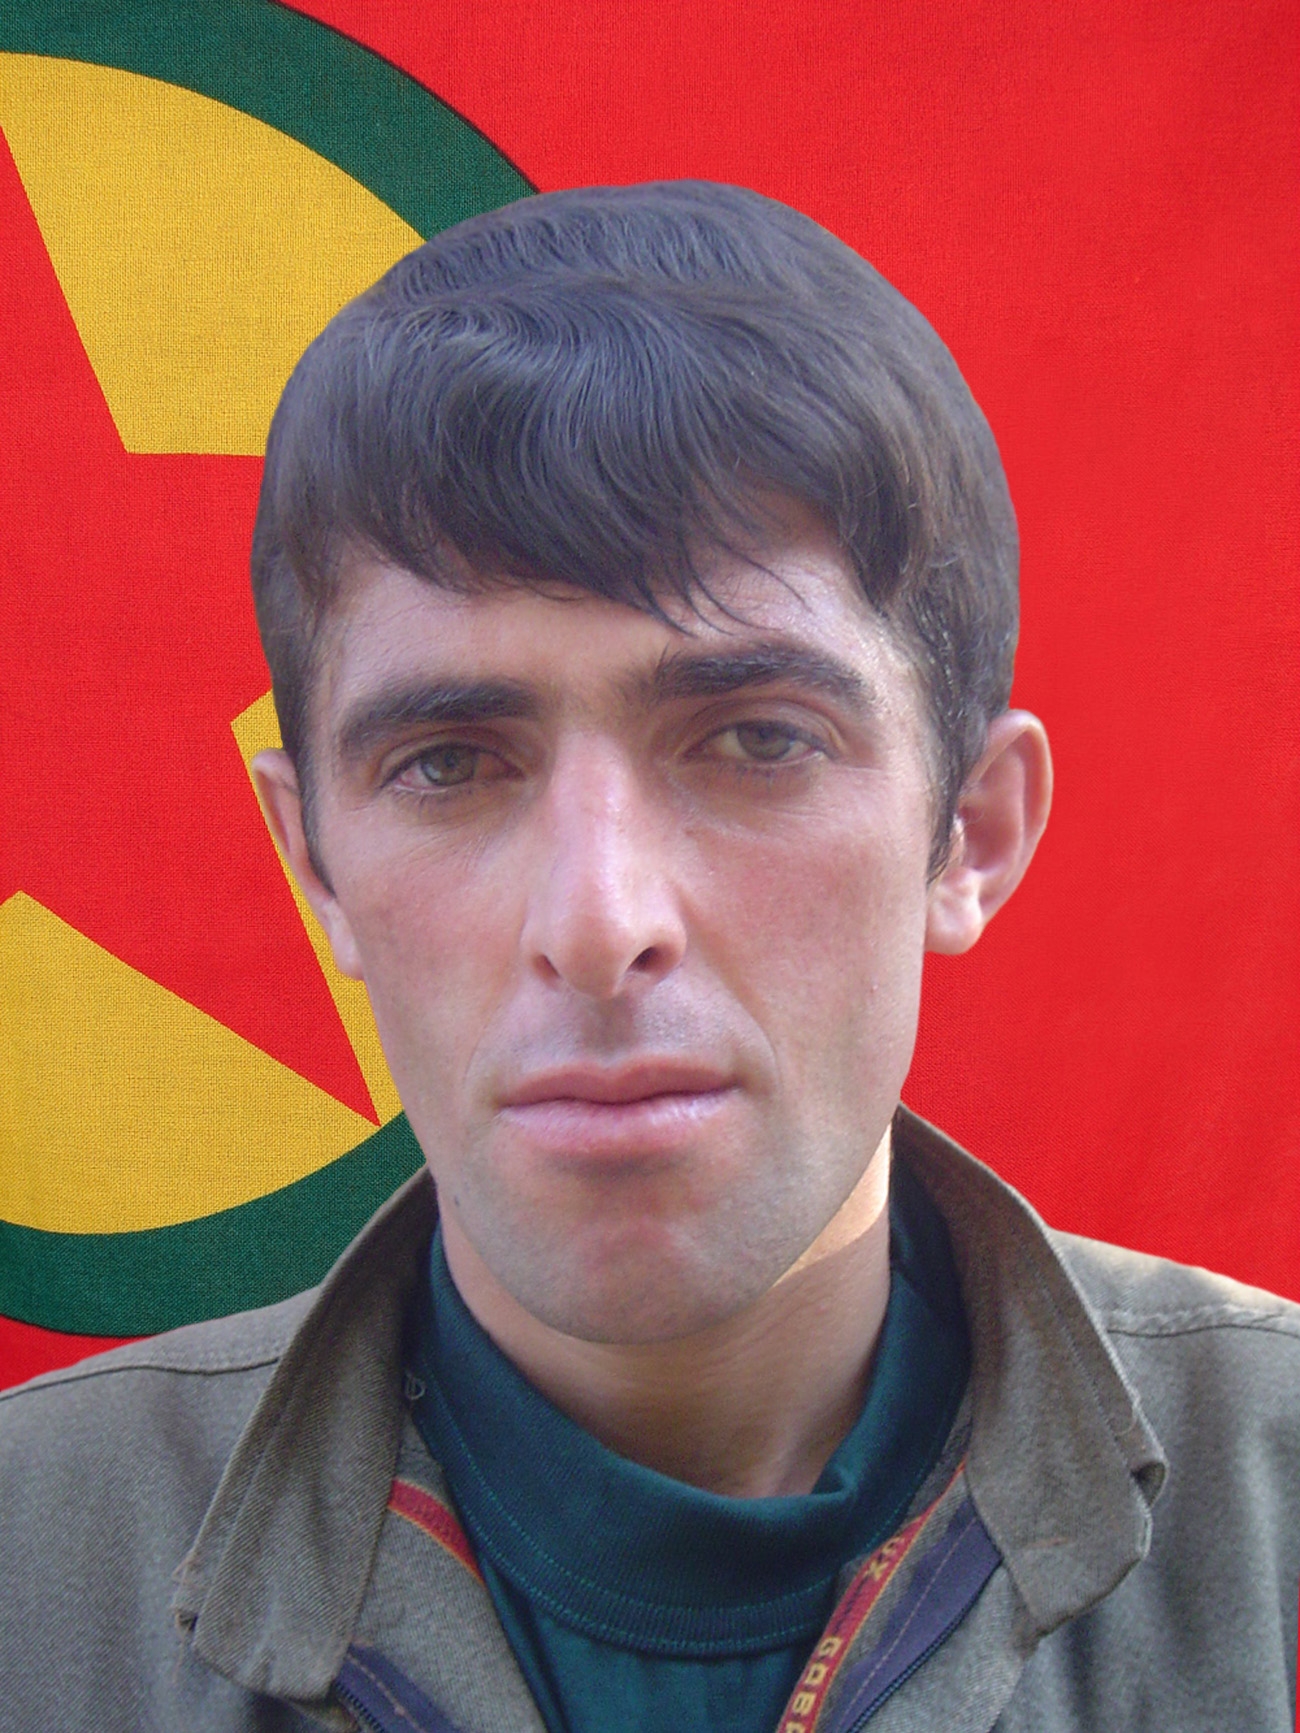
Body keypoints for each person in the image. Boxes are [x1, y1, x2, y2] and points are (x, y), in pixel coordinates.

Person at [1, 181, 1297, 1733]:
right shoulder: (30, 1565)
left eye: (757, 740)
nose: (599, 922)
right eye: (448, 763)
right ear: (316, 861)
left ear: (970, 829)